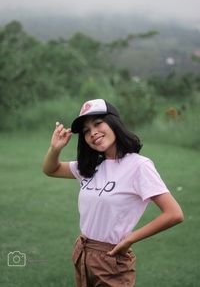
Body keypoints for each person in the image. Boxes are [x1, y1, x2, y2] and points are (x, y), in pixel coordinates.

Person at [43, 98, 184, 287]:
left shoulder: (139, 166)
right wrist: (55, 149)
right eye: (86, 131)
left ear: (114, 122)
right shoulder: (90, 166)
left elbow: (174, 214)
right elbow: (50, 169)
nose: (93, 133)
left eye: (98, 123)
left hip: (111, 259)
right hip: (83, 252)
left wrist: (130, 239)